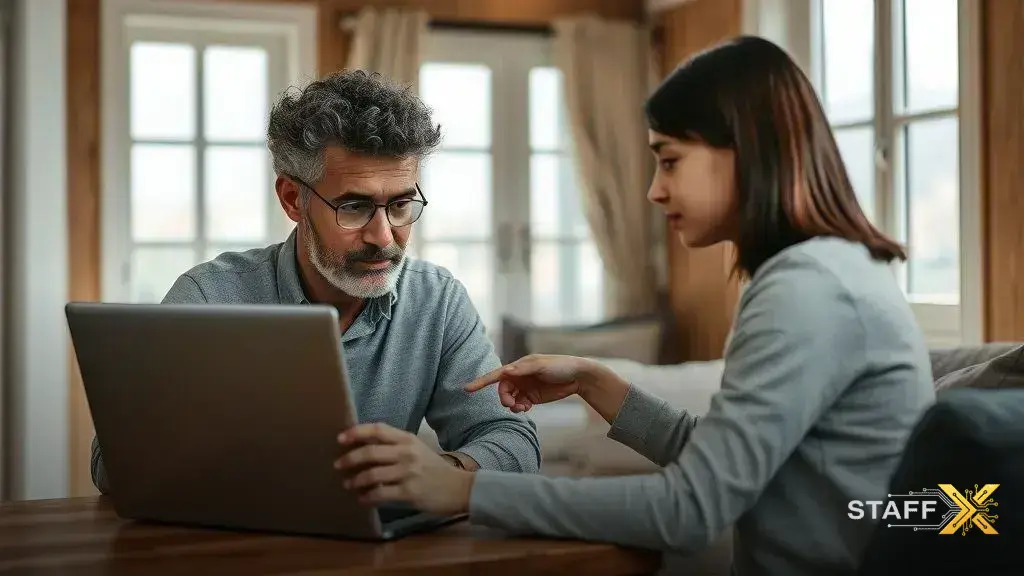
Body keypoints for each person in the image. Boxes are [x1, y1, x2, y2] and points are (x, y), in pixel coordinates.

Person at [332, 36, 936, 576]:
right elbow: (728, 464)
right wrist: (600, 384)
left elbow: (691, 508)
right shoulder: (830, 270)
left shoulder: (806, 289)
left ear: (747, 150)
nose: (653, 189)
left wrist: (465, 491)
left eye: (670, 159)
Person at [90, 70, 541, 494]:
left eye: (401, 205)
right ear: (292, 199)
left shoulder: (438, 301)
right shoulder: (210, 297)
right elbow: (112, 467)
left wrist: (442, 474)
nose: (383, 236)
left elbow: (511, 439)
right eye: (354, 207)